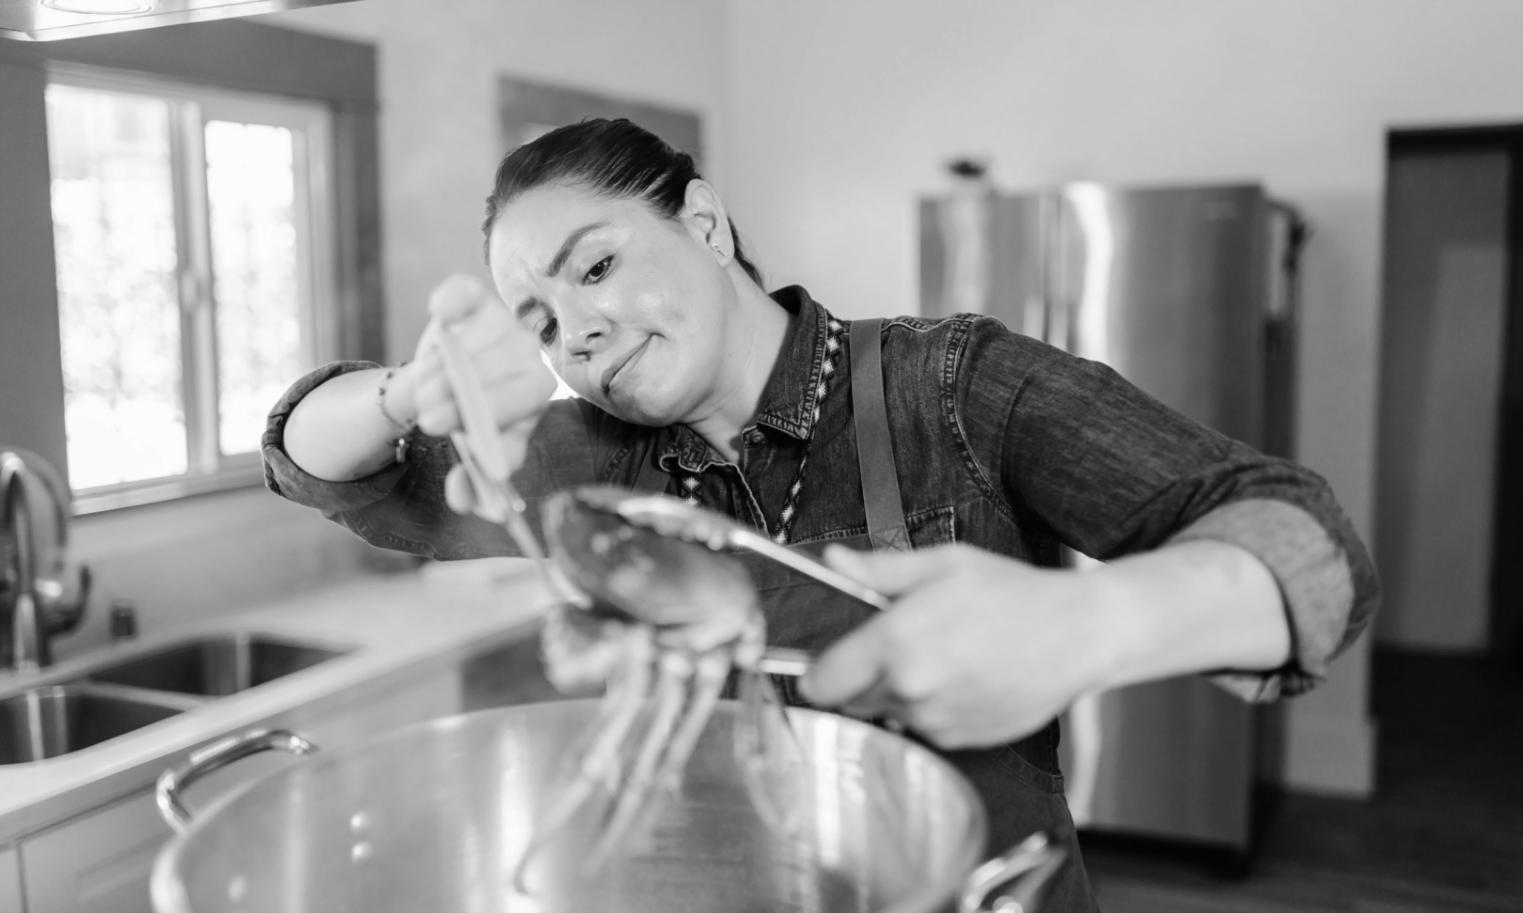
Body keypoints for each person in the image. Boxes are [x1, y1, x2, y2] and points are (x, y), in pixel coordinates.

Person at [263, 117, 1378, 911]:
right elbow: (333, 473)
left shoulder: (951, 385)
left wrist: (1095, 624)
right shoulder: (572, 468)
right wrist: (405, 396)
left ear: (703, 222)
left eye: (594, 266)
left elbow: (1309, 544)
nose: (578, 332)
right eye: (542, 323)